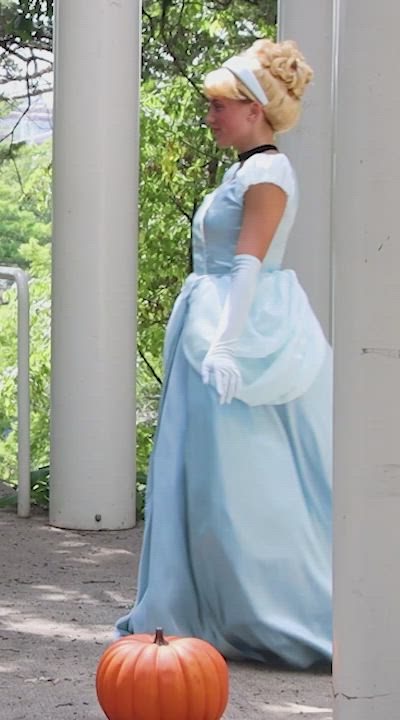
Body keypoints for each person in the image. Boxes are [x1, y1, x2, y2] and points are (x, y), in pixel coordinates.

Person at [115, 39, 331, 669]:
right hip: (211, 323)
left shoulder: (267, 173)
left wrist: (228, 345)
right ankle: (205, 605)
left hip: (239, 329)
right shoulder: (242, 171)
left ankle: (273, 609)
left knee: (244, 481)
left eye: (220, 106)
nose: (210, 117)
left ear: (256, 111)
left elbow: (248, 262)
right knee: (203, 475)